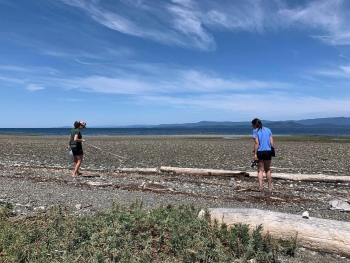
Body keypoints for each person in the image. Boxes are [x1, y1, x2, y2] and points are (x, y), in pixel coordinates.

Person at [252, 118, 274, 191]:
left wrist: (255, 153)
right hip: (268, 151)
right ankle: (269, 186)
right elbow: (271, 142)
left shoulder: (255, 131)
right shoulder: (268, 130)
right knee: (267, 169)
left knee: (260, 170)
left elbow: (256, 143)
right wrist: (272, 150)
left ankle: (260, 186)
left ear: (255, 124)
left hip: (260, 151)